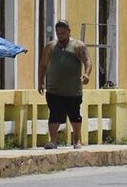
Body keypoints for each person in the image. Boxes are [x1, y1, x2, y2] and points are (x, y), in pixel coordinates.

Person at [38, 20, 92, 150]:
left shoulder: (78, 46)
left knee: (75, 115)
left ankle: (77, 140)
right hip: (54, 89)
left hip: (73, 90)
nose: (60, 36)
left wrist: (86, 74)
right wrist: (40, 82)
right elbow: (43, 65)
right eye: (58, 33)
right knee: (54, 114)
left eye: (63, 33)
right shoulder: (50, 47)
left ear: (69, 31)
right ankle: (53, 141)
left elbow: (87, 60)